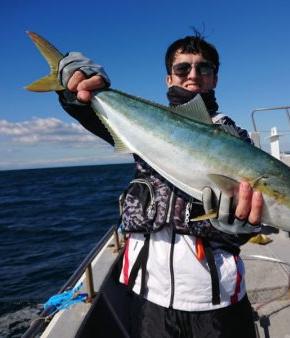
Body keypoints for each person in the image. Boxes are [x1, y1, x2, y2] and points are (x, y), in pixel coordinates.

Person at [57, 32, 263, 338]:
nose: (193, 75)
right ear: (169, 79)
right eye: (182, 69)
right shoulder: (143, 125)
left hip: (216, 297)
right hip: (148, 295)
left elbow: (257, 207)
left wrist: (245, 226)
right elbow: (89, 109)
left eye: (203, 68)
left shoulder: (235, 136)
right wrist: (75, 82)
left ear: (215, 78)